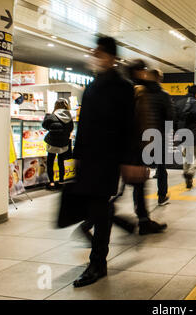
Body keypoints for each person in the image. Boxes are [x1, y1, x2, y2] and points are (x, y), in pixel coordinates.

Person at [72, 36, 135, 288]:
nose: (94, 56)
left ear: (110, 57)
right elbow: (83, 123)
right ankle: (114, 220)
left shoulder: (122, 87)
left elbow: (129, 126)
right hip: (88, 157)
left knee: (98, 206)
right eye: (93, 52)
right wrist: (76, 155)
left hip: (108, 158)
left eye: (98, 53)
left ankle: (97, 263)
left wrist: (129, 160)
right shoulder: (93, 85)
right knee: (94, 205)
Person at [126, 59, 168, 234]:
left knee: (138, 185)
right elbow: (140, 122)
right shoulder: (139, 91)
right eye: (143, 70)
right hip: (134, 146)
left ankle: (143, 220)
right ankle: (90, 221)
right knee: (126, 187)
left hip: (137, 145)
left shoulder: (137, 90)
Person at [149, 68, 174, 204]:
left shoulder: (142, 92)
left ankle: (139, 205)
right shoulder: (163, 95)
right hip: (159, 136)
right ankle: (162, 195)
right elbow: (170, 117)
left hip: (143, 136)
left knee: (140, 167)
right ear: (159, 78)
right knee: (161, 167)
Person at [177, 85, 196, 189]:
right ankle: (190, 172)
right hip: (194, 133)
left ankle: (187, 177)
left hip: (182, 133)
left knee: (187, 157)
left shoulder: (180, 102)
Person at [42, 98, 74, 190]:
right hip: (63, 143)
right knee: (61, 162)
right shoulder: (69, 117)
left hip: (52, 142)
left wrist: (47, 115)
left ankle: (51, 183)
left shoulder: (52, 116)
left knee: (50, 162)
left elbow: (44, 125)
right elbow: (71, 129)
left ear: (55, 105)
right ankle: (61, 182)